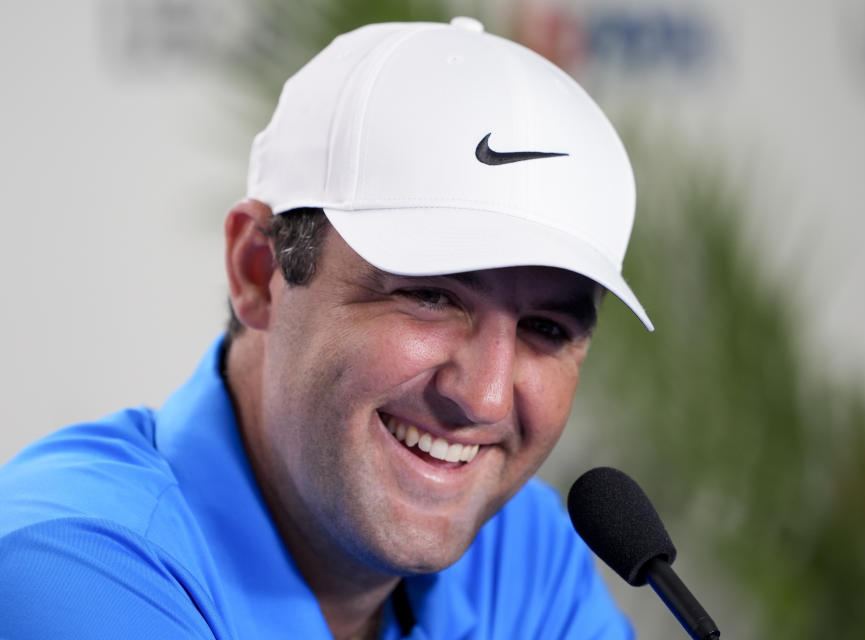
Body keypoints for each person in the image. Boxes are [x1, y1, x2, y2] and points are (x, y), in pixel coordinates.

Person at [0, 17, 654, 639]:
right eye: (431, 296)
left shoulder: (524, 555)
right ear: (259, 271)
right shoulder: (69, 564)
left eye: (545, 327)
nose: (483, 397)